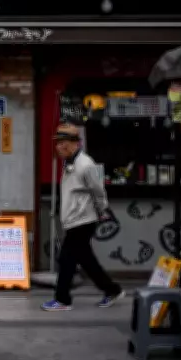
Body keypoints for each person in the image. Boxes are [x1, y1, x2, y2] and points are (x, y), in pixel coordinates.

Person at [42, 123, 125, 312]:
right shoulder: (70, 163)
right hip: (74, 220)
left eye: (61, 143)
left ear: (73, 144)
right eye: (57, 143)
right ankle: (112, 289)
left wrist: (102, 210)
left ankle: (62, 299)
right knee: (86, 260)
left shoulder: (85, 165)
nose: (58, 147)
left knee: (66, 259)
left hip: (83, 220)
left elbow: (98, 191)